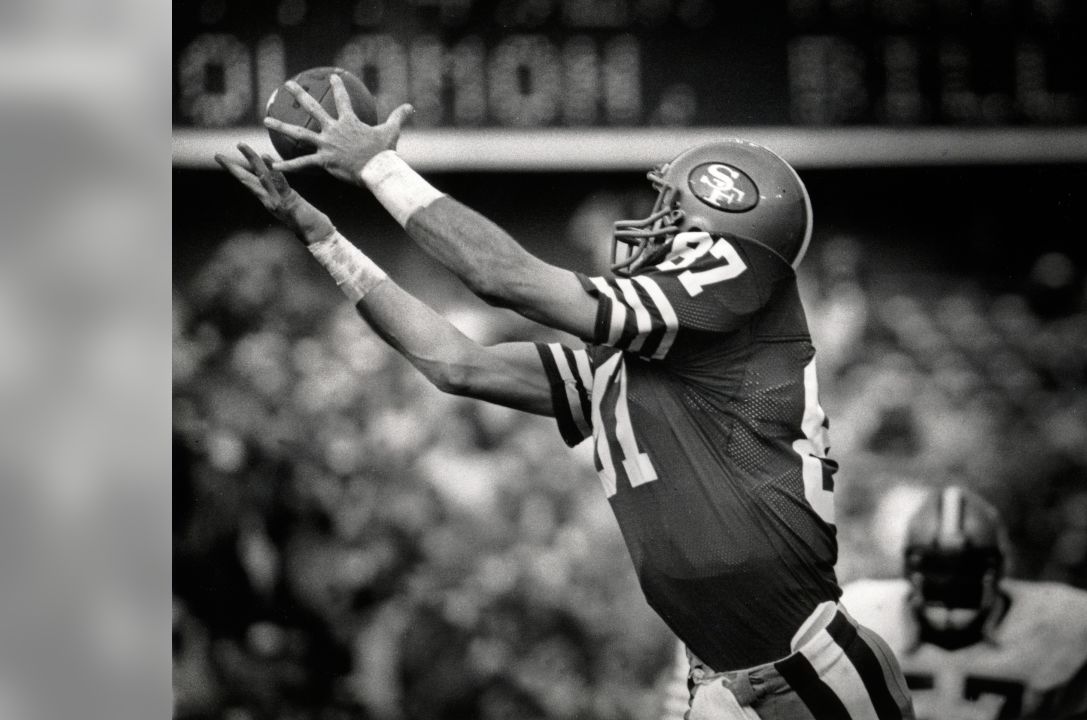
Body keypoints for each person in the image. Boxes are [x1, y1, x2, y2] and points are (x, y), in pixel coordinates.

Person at [216, 73, 915, 720]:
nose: (653, 226)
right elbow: (453, 363)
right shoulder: (652, 361)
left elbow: (504, 277)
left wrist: (378, 167)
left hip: (812, 672)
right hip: (719, 683)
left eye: (670, 209)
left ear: (721, 217)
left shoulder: (741, 283)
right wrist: (325, 239)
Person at [842, 486, 1087, 720]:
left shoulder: (1066, 623)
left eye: (967, 567)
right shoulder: (860, 617)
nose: (950, 582)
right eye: (937, 567)